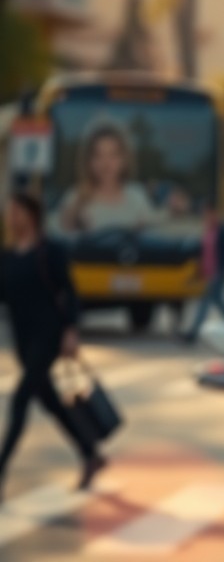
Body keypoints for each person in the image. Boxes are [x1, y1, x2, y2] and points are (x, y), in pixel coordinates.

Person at [0, 193, 107, 501]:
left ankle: (2, 470)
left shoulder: (51, 251)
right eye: (10, 213)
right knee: (52, 403)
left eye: (17, 212)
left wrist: (71, 329)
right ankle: (90, 454)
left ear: (32, 216)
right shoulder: (7, 257)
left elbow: (69, 291)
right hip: (23, 340)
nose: (12, 218)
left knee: (19, 402)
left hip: (48, 335)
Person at [53, 120, 163, 234]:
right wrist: (71, 222)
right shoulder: (75, 197)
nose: (106, 164)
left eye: (113, 155)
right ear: (89, 161)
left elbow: (154, 233)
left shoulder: (137, 197)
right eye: (98, 155)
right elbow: (57, 237)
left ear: (124, 160)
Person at [181, 206, 224, 343]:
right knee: (219, 301)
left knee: (205, 302)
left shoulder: (222, 230)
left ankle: (193, 333)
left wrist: (223, 269)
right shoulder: (206, 230)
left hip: (217, 271)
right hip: (207, 272)